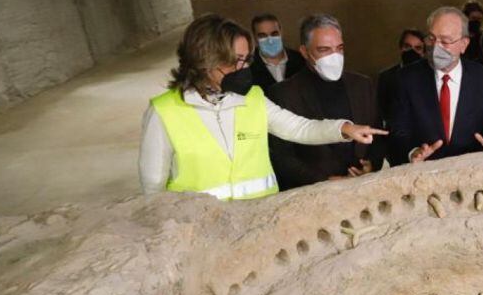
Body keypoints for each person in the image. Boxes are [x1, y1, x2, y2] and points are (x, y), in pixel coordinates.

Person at [138, 14, 384, 199]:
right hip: (198, 229)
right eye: (235, 61)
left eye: (246, 60)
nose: (243, 69)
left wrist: (343, 129)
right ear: (204, 60)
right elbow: (153, 187)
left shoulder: (252, 98)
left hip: (259, 219)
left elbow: (298, 128)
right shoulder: (164, 112)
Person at [266, 14, 384, 188]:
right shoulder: (283, 93)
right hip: (313, 195)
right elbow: (281, 156)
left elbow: (377, 132)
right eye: (324, 50)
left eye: (339, 48)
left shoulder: (362, 85)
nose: (334, 56)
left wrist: (372, 166)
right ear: (305, 52)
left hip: (362, 187)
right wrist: (321, 181)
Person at [390, 6, 483, 164]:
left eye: (445, 41)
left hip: (470, 170)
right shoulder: (407, 78)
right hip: (424, 173)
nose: (436, 48)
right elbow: (397, 131)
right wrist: (413, 152)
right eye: (432, 39)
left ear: (464, 44)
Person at [376, 29, 426, 136]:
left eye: (418, 48)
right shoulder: (386, 77)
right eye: (407, 46)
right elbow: (381, 111)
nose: (412, 51)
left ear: (423, 52)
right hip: (394, 135)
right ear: (400, 48)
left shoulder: (431, 76)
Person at [248, 13, 305, 92]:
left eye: (274, 34)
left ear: (281, 32)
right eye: (263, 35)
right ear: (254, 37)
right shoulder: (248, 65)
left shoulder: (301, 60)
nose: (270, 40)